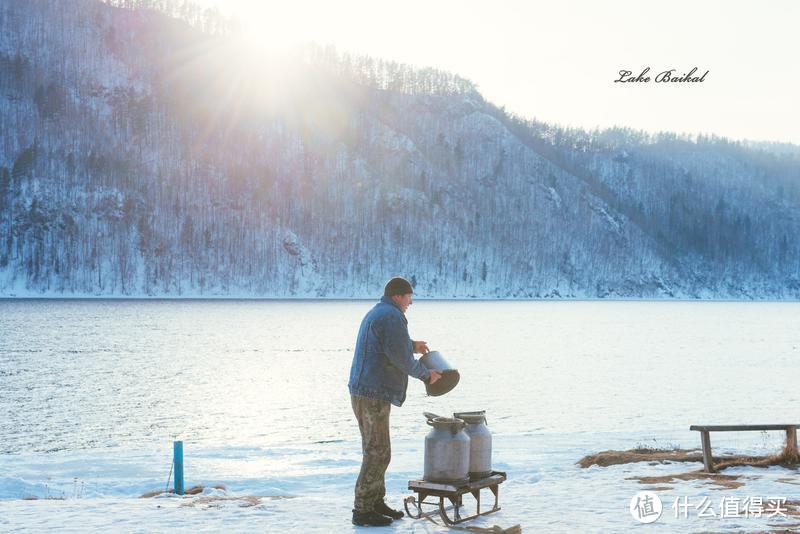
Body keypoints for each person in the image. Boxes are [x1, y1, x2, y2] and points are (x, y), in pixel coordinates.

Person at [348, 277, 442, 527]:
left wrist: (413, 345)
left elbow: (390, 345)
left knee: (379, 450)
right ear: (398, 296)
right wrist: (427, 375)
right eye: (409, 296)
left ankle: (376, 502)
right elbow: (399, 357)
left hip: (366, 390)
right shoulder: (391, 316)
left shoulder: (381, 312)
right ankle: (363, 510)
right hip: (372, 393)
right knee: (377, 452)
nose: (411, 301)